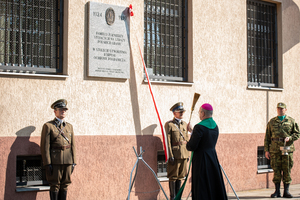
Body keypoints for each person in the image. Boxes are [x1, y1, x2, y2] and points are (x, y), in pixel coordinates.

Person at [186, 103, 227, 200]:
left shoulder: (199, 127)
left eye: (199, 112)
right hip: (212, 158)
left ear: (203, 113)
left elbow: (192, 146)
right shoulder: (215, 126)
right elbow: (206, 138)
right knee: (212, 183)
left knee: (202, 185)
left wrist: (187, 142)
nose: (199, 114)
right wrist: (192, 131)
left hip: (201, 161)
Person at [40, 99, 76, 200]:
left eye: (64, 109)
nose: (63, 111)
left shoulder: (69, 126)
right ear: (55, 111)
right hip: (55, 161)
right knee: (54, 185)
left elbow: (73, 145)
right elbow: (44, 146)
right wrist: (47, 163)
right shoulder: (48, 126)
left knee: (65, 184)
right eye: (60, 109)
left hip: (68, 161)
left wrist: (74, 161)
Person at [264, 102, 300, 198]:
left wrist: (290, 138)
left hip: (287, 150)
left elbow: (297, 134)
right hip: (275, 150)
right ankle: (277, 191)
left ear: (285, 110)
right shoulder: (271, 122)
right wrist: (266, 150)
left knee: (287, 170)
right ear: (277, 109)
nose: (280, 110)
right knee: (276, 170)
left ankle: (286, 192)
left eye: (282, 108)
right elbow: (267, 137)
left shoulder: (291, 121)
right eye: (279, 108)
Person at [165, 102, 190, 200]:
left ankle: (178, 197)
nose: (182, 113)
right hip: (174, 155)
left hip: (184, 154)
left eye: (182, 112)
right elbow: (168, 141)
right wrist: (170, 155)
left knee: (180, 177)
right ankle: (173, 197)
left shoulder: (184, 124)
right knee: (173, 177)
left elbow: (187, 139)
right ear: (174, 113)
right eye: (180, 112)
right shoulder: (169, 124)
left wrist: (187, 154)